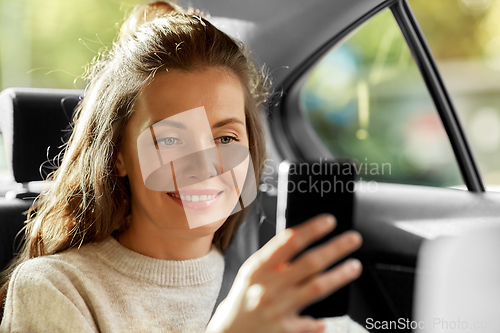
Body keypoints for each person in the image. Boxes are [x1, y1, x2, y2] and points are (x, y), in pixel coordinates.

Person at [0, 1, 366, 332]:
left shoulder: (274, 286)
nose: (205, 166)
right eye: (171, 140)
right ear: (118, 155)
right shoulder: (56, 289)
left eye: (225, 139)